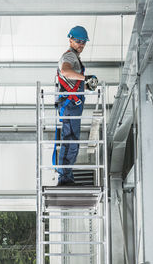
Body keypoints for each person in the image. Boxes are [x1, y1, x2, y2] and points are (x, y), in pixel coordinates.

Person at [54, 26, 98, 186]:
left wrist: (85, 85)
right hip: (70, 105)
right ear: (70, 39)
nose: (81, 44)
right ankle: (64, 179)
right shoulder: (69, 57)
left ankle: (67, 178)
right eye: (78, 41)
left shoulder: (75, 59)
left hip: (73, 104)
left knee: (72, 141)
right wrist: (84, 78)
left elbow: (73, 82)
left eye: (84, 42)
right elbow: (65, 72)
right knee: (70, 141)